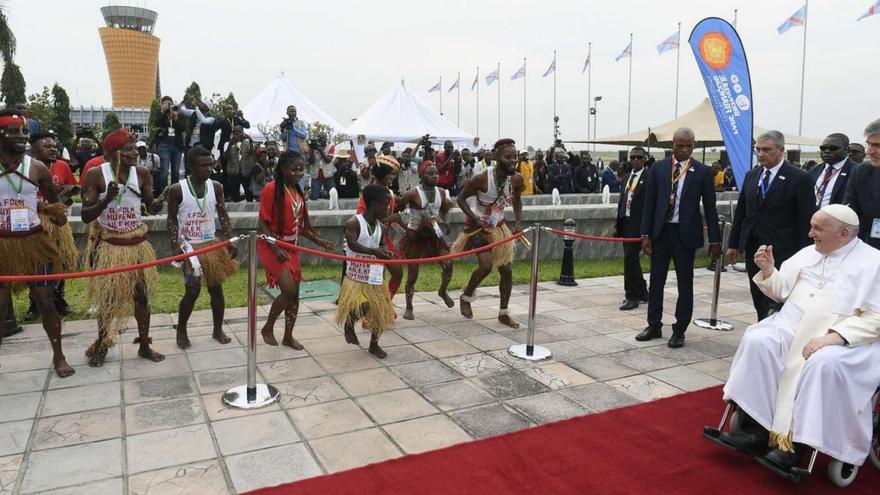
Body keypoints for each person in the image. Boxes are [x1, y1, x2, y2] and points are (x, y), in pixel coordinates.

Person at [717, 205, 880, 472]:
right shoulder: (809, 253)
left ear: (842, 233)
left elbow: (877, 318)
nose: (810, 233)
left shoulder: (874, 262)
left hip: (844, 335)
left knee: (822, 362)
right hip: (791, 324)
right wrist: (769, 271)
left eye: (817, 228)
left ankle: (795, 446)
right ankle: (757, 428)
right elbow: (781, 291)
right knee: (759, 339)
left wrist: (837, 337)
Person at [80, 128, 164, 367]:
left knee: (142, 298)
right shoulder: (96, 174)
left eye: (135, 148)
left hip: (136, 245)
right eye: (127, 150)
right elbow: (86, 216)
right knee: (107, 300)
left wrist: (159, 203)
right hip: (110, 246)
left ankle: (145, 346)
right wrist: (106, 199)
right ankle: (102, 345)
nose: (134, 153)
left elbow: (150, 207)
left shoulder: (143, 174)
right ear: (111, 153)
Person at [0, 111, 74, 378]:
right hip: (1, 244)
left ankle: (59, 356)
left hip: (33, 242)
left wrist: (52, 211)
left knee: (46, 300)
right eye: (13, 131)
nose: (21, 137)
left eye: (23, 132)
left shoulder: (37, 168)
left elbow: (56, 204)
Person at [638, 127, 721, 348]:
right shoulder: (659, 168)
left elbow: (710, 208)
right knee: (656, 282)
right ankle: (654, 324)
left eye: (689, 146)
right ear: (672, 145)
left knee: (685, 284)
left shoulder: (702, 172)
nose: (684, 150)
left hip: (685, 235)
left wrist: (715, 240)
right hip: (661, 233)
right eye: (680, 145)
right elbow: (650, 204)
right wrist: (645, 234)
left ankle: (680, 329)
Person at [727, 131, 816, 321]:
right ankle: (762, 325)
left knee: (779, 297)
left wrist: (806, 254)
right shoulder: (752, 175)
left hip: (784, 250)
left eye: (766, 149)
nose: (760, 154)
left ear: (781, 150)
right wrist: (734, 244)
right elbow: (742, 212)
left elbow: (805, 219)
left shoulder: (799, 178)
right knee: (758, 292)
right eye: (757, 149)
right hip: (754, 247)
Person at [257, 151, 335, 349]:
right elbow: (262, 224)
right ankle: (268, 327)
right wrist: (275, 249)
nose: (299, 173)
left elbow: (300, 226)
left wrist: (319, 241)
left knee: (295, 294)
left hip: (291, 247)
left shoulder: (296, 191)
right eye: (294, 169)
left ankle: (288, 336)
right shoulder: (270, 189)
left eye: (301, 170)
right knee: (289, 290)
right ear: (283, 169)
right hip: (271, 245)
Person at [166, 146, 239, 349]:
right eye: (203, 165)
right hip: (190, 248)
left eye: (210, 165)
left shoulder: (216, 187)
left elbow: (223, 213)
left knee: (216, 290)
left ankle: (218, 329)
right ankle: (181, 330)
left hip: (211, 246)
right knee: (192, 291)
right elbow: (171, 219)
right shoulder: (177, 189)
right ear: (191, 166)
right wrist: (175, 246)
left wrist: (229, 239)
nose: (208, 169)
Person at [452, 138, 524, 329]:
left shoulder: (516, 178)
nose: (512, 161)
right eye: (508, 157)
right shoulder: (482, 178)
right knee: (485, 267)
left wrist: (517, 222)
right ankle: (466, 296)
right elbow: (460, 199)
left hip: (500, 228)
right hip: (480, 229)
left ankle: (503, 313)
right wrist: (474, 219)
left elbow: (517, 200)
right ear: (497, 157)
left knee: (507, 271)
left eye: (515, 157)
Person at [23, 133, 78, 320]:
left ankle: (59, 299)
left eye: (55, 146)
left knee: (59, 260)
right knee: (35, 263)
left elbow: (73, 191)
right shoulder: (26, 166)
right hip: (34, 222)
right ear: (34, 150)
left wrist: (62, 197)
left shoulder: (62, 166)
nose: (53, 149)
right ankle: (34, 303)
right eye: (47, 146)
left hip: (56, 222)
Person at [337, 184, 395, 358]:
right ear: (374, 204)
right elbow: (353, 244)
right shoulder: (354, 222)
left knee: (380, 312)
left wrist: (385, 252)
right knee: (363, 304)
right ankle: (349, 324)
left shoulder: (382, 227)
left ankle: (374, 345)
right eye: (386, 204)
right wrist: (373, 251)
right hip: (355, 276)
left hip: (375, 275)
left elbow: (382, 243)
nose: (388, 208)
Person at [397, 161, 454, 320]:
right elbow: (398, 209)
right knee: (413, 274)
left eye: (436, 173)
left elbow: (445, 209)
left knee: (448, 265)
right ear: (421, 176)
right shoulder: (412, 194)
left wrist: (447, 221)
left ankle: (443, 290)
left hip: (435, 233)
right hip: (415, 234)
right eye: (430, 173)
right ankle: (409, 306)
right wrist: (402, 226)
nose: (435, 176)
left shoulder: (442, 192)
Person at [356, 155, 404, 311]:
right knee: (375, 279)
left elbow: (390, 219)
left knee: (397, 273)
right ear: (382, 173)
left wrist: (404, 230)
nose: (392, 177)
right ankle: (374, 312)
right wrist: (390, 218)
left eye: (394, 174)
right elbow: (362, 219)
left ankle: (383, 305)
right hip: (371, 241)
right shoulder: (369, 193)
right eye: (390, 174)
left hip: (385, 240)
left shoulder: (389, 192)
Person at [614, 146, 649, 310]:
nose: (635, 160)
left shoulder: (649, 178)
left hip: (639, 226)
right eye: (633, 157)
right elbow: (623, 201)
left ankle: (632, 297)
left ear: (645, 159)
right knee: (633, 260)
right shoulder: (627, 177)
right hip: (625, 223)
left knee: (629, 261)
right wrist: (617, 225)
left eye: (639, 157)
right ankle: (642, 292)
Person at [844, 118, 880, 250]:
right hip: (869, 249)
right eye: (869, 144)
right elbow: (849, 214)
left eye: (877, 145)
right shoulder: (861, 172)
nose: (869, 151)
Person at [149, 95, 186, 194]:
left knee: (176, 172)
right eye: (166, 103)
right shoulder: (160, 113)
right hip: (164, 145)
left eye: (170, 103)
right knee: (164, 172)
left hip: (177, 146)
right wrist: (162, 111)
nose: (169, 105)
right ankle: (163, 193)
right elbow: (156, 123)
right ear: (162, 104)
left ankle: (175, 193)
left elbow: (183, 128)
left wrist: (176, 117)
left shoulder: (177, 112)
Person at [810, 133, 857, 208]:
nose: (827, 151)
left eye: (833, 148)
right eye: (823, 148)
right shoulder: (814, 170)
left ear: (846, 150)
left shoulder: (856, 171)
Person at [222, 125, 256, 202]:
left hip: (246, 172)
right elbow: (226, 157)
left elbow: (252, 154)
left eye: (239, 131)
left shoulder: (248, 142)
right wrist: (231, 144)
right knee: (234, 195)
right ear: (233, 133)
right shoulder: (227, 144)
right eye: (235, 132)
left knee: (249, 194)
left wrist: (250, 140)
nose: (238, 133)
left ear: (243, 132)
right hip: (234, 172)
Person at [307, 133, 335, 200]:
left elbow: (328, 160)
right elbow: (311, 162)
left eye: (322, 139)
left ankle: (323, 193)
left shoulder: (331, 146)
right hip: (316, 175)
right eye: (319, 140)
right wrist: (312, 150)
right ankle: (318, 192)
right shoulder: (312, 147)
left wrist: (320, 150)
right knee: (314, 197)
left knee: (332, 196)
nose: (320, 141)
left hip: (328, 175)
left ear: (326, 140)